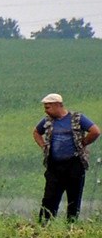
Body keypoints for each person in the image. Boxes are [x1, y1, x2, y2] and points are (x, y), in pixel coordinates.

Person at [33, 93, 99, 223]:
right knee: (49, 198)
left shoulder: (77, 118)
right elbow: (36, 132)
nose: (45, 111)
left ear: (58, 105)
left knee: (74, 199)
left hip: (74, 165)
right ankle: (44, 227)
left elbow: (95, 131)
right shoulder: (47, 121)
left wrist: (83, 143)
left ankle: (70, 228)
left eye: (48, 107)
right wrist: (44, 147)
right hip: (54, 166)